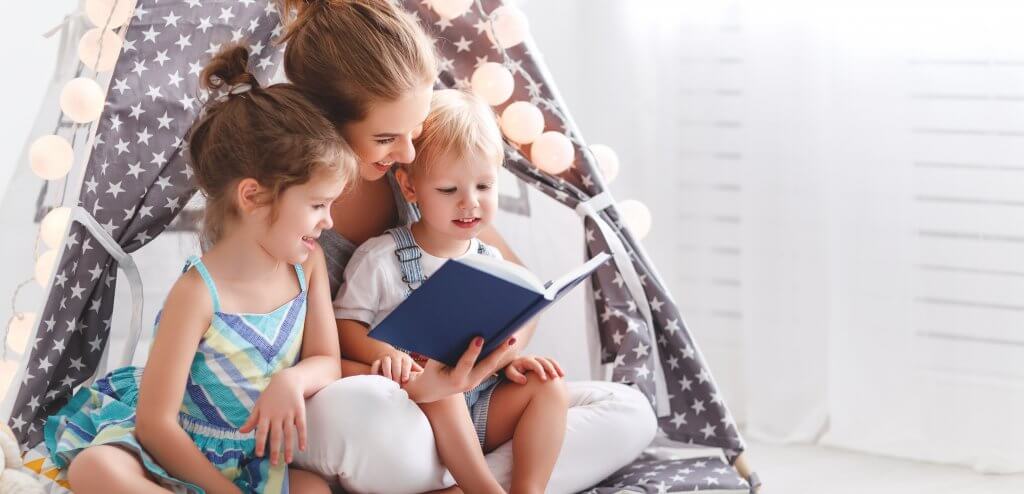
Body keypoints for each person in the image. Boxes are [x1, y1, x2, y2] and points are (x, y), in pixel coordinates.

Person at [279, 1, 658, 492]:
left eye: (414, 132)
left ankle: (461, 486)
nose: (409, 154)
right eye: (388, 137)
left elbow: (522, 297)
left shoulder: (421, 178)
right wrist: (413, 378)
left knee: (628, 411)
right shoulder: (293, 208)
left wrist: (491, 363)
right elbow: (300, 361)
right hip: (373, 407)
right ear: (327, 122)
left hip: (459, 403)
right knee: (365, 414)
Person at [43, 45, 355, 494]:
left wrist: (294, 379)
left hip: (250, 460)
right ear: (253, 197)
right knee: (97, 469)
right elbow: (155, 425)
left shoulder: (309, 266)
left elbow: (328, 361)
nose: (329, 222)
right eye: (318, 205)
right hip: (171, 451)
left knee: (316, 491)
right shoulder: (197, 293)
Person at [337, 89, 569, 493]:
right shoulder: (380, 256)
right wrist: (386, 355)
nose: (470, 204)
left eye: (484, 186)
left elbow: (497, 336)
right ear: (410, 188)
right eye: (449, 191)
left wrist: (507, 360)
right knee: (440, 379)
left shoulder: (491, 260)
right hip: (420, 415)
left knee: (549, 386)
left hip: (480, 404)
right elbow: (344, 325)